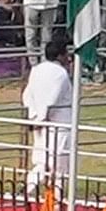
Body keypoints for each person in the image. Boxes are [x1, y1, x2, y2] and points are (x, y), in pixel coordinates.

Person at [22, 38, 78, 193]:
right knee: (59, 163)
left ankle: (29, 188)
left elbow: (27, 95)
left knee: (42, 159)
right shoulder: (60, 74)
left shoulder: (36, 69)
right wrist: (42, 117)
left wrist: (34, 116)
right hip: (58, 123)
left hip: (39, 122)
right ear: (60, 55)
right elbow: (53, 99)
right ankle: (57, 199)